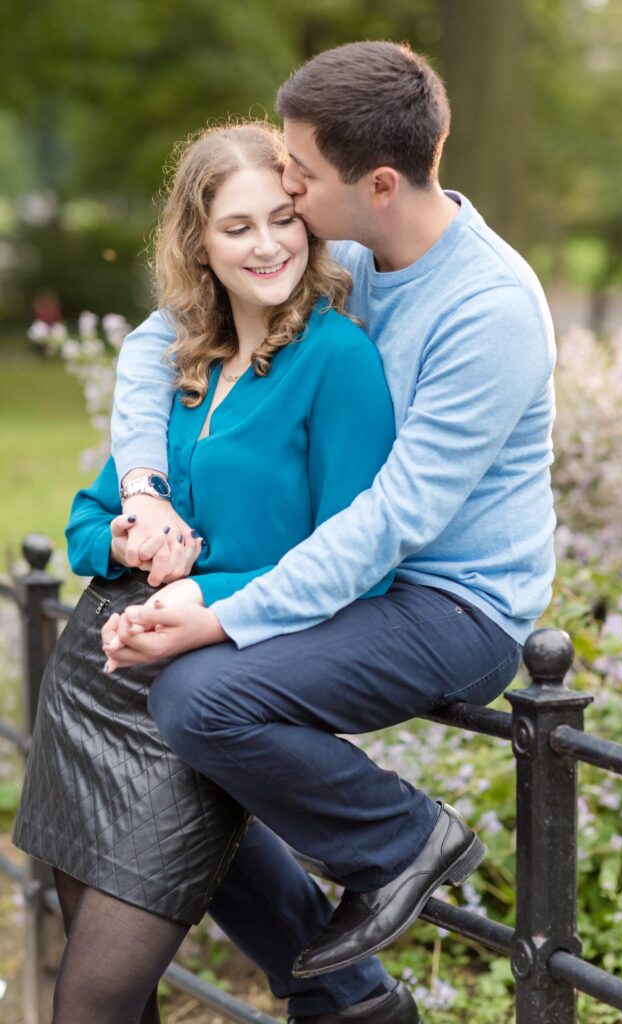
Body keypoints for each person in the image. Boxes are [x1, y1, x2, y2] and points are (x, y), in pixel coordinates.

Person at [104, 39, 555, 1011]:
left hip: (451, 604)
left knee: (197, 703)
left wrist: (219, 616)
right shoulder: (350, 248)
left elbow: (391, 521)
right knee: (170, 736)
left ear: (377, 182)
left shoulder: (488, 310)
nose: (286, 191)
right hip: (359, 577)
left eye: (298, 174)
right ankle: (346, 998)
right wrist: (140, 486)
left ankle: (401, 839)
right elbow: (161, 336)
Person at [12, 119, 414, 1024]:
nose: (267, 244)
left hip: (197, 687)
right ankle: (358, 1010)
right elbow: (84, 522)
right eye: (238, 227)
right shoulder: (182, 358)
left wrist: (205, 590)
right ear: (198, 240)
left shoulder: (334, 361)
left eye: (283, 218)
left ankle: (361, 1007)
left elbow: (352, 562)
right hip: (93, 682)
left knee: (90, 1002)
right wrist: (129, 533)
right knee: (104, 981)